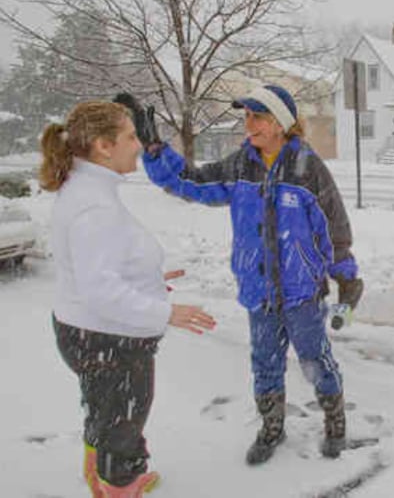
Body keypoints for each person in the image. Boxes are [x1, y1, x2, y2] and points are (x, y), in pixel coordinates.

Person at [122, 85, 364, 464]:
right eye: (246, 116)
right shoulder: (241, 165)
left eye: (257, 116)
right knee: (264, 363)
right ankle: (271, 427)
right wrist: (155, 150)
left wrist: (347, 279)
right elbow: (190, 182)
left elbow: (334, 230)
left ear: (281, 123)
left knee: (315, 360)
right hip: (259, 291)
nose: (248, 124)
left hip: (303, 293)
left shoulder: (307, 168)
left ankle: (335, 422)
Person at [40, 101, 216, 497]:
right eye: (131, 136)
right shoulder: (94, 206)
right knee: (123, 424)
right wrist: (167, 312)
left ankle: (97, 472)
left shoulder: (87, 190)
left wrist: (145, 277)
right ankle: (120, 483)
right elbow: (100, 290)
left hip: (90, 334)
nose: (139, 144)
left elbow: (97, 267)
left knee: (104, 409)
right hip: (109, 341)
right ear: (104, 146)